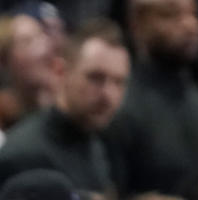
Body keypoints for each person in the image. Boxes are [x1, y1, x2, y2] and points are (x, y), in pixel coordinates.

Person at [106, 0, 198, 196]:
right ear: (137, 25)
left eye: (194, 14)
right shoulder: (117, 106)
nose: (190, 25)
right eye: (171, 15)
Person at [0, 19, 129, 194]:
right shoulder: (23, 156)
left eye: (119, 82)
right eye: (95, 78)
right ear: (60, 72)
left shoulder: (100, 142)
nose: (109, 95)